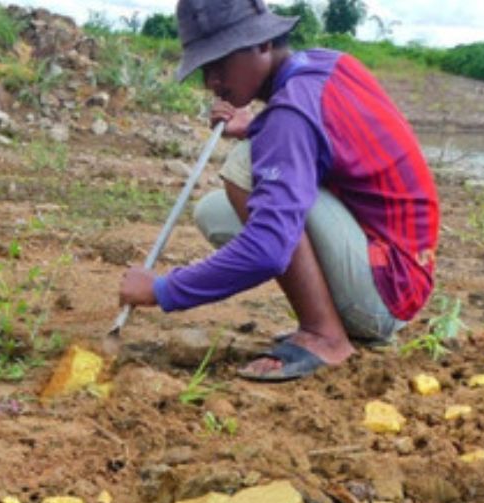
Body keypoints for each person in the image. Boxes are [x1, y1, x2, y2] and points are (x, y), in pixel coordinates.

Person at [118, 0, 440, 382]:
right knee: (214, 211)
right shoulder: (324, 64)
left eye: (220, 64)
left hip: (385, 292)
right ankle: (331, 321)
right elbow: (314, 137)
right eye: (206, 69)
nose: (211, 82)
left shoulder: (286, 118)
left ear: (263, 45)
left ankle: (325, 335)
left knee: (244, 167)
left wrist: (163, 290)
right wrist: (258, 125)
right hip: (401, 273)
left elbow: (268, 251)